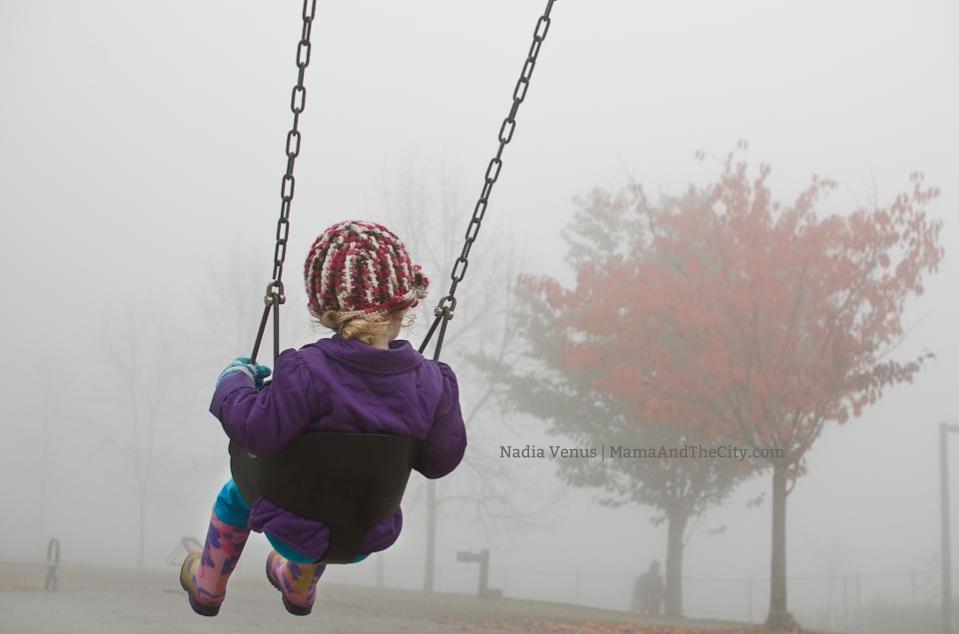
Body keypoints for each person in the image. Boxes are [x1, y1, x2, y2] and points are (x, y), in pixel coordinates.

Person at [180, 220, 467, 617]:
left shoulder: (306, 373)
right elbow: (440, 462)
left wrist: (235, 380)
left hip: (291, 528)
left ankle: (208, 585)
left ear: (326, 309)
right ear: (404, 305)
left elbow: (254, 432)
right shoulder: (432, 382)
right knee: (334, 494)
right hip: (366, 535)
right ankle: (297, 587)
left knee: (241, 493)